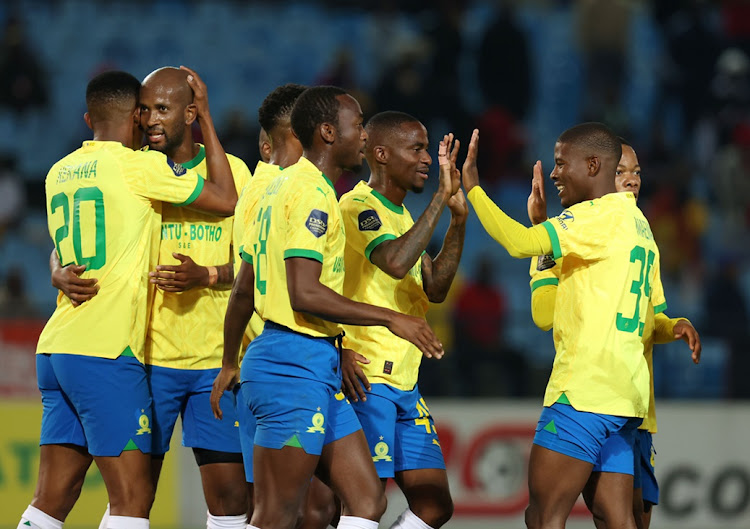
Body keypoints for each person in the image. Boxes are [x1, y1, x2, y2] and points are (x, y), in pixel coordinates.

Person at [211, 86, 443, 529]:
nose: (363, 136)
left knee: (366, 501)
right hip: (290, 365)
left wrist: (228, 360)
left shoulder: (272, 191)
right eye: (357, 126)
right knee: (276, 514)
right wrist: (392, 317)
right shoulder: (313, 195)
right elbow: (304, 293)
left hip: (315, 362)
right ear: (328, 132)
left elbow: (245, 288)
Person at [23, 68, 237, 529]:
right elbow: (225, 198)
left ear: (87, 119)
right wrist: (209, 116)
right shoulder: (140, 167)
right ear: (137, 118)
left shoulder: (57, 171)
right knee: (133, 500)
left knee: (51, 498)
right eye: (149, 111)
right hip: (106, 350)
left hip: (57, 344)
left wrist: (56, 272)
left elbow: (65, 244)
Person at [462, 122, 666, 529]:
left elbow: (519, 243)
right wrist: (544, 231)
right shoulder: (637, 226)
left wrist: (473, 190)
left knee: (543, 518)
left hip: (582, 394)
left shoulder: (594, 218)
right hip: (625, 401)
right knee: (616, 520)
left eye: (560, 164)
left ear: (592, 165)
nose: (554, 174)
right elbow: (545, 313)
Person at [526, 139, 702, 529]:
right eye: (622, 171)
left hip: (633, 408)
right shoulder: (573, 238)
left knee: (629, 521)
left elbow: (653, 318)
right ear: (597, 172)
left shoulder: (643, 235)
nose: (632, 180)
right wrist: (540, 237)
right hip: (594, 397)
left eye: (637, 172)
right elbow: (543, 315)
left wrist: (675, 325)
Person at [338, 111, 466, 529]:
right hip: (367, 379)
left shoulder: (403, 218)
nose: (427, 158)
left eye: (427, 148)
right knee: (362, 504)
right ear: (381, 154)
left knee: (434, 506)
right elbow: (393, 262)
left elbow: (435, 288)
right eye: (416, 148)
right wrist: (436, 200)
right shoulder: (358, 205)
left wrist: (457, 220)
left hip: (405, 384)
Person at [232, 83, 338, 529]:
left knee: (345, 501)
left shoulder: (260, 192)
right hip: (287, 357)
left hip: (267, 356)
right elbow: (291, 286)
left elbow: (244, 279)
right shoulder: (294, 189)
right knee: (303, 510)